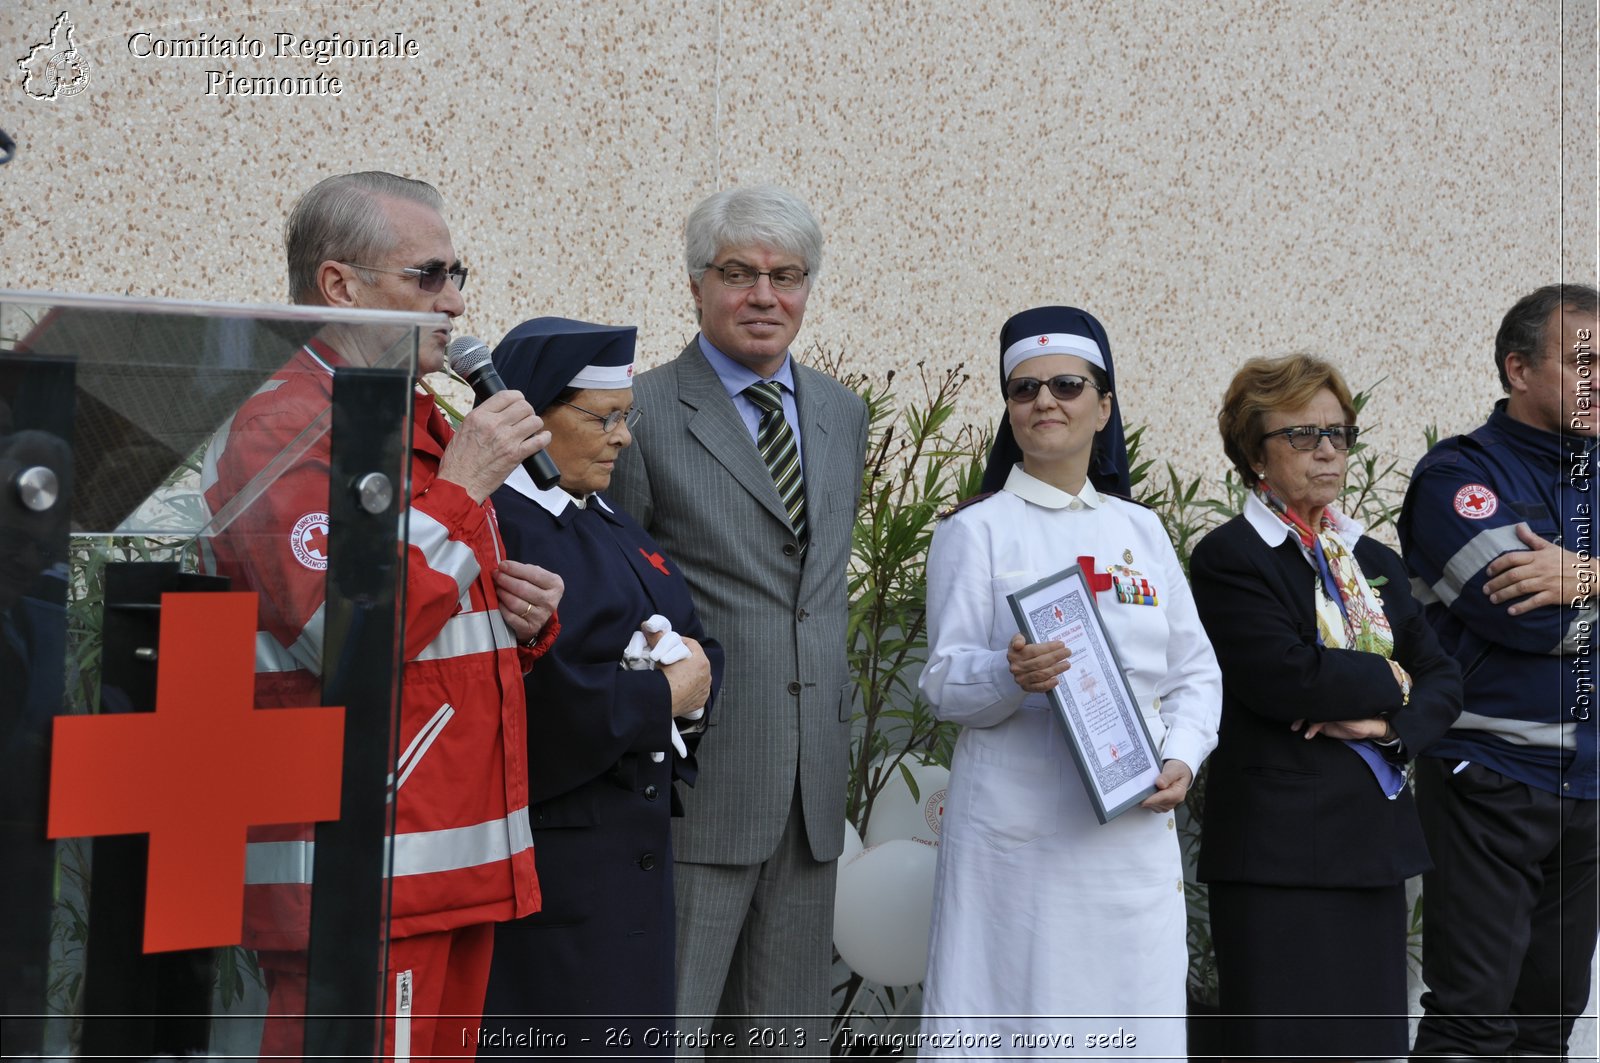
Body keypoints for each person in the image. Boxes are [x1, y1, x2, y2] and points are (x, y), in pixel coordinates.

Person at [201, 171, 564, 1059]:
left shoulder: (416, 419)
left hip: (447, 854)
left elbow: (433, 621)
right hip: (363, 862)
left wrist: (524, 619)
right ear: (339, 284)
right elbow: (340, 631)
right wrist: (462, 489)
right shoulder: (281, 425)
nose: (456, 300)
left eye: (459, 274)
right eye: (429, 276)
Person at [917, 305, 1221, 1057]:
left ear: (1104, 405)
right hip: (1020, 845)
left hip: (1132, 836)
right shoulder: (974, 530)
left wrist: (1181, 757)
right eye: (1023, 390)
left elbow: (1195, 672)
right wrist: (1008, 672)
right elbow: (943, 681)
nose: (1044, 401)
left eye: (1066, 384)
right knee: (1021, 1019)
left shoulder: (1140, 530)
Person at [608, 185, 869, 1053]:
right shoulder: (639, 413)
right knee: (670, 1028)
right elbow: (622, 594)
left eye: (786, 276)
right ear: (695, 284)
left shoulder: (840, 412)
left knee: (786, 1039)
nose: (765, 296)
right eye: (739, 273)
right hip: (701, 780)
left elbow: (812, 590)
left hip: (811, 786)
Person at [1186, 353, 1462, 1060]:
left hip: (1371, 844)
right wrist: (1396, 677)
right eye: (1304, 436)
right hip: (1277, 853)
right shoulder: (1232, 556)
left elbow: (1444, 679)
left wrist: (1389, 719)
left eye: (1339, 434)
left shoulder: (1370, 557)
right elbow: (1289, 678)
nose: (1328, 451)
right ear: (1255, 452)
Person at [478, 317, 724, 1052]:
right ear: (532, 415)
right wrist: (663, 694)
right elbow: (536, 697)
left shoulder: (607, 515)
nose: (622, 437)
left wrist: (687, 682)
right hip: (559, 864)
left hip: (626, 858)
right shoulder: (502, 525)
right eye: (603, 418)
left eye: (627, 417)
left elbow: (696, 638)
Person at [1400, 283, 1600, 1061]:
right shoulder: (1458, 477)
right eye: (1583, 361)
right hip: (1489, 776)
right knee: (1473, 1021)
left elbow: (1568, 599)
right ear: (1518, 368)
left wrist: (1584, 572)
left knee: (1549, 1022)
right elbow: (1540, 620)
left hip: (1587, 788)